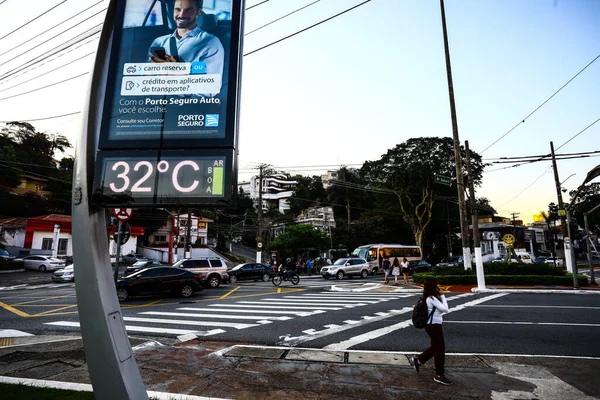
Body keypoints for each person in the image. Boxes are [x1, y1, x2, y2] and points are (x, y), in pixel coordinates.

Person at [148, 0, 224, 77]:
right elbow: (143, 75)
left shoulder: (210, 43)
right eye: (178, 9)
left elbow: (211, 84)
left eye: (189, 10)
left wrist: (178, 71)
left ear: (199, 11)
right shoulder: (159, 42)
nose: (182, 15)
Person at [413, 277, 452, 386]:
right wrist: (443, 295)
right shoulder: (431, 298)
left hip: (434, 325)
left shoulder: (432, 297)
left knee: (435, 347)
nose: (438, 286)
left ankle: (419, 361)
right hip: (433, 326)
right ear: (433, 286)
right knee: (440, 349)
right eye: (436, 284)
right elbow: (446, 309)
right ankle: (439, 375)